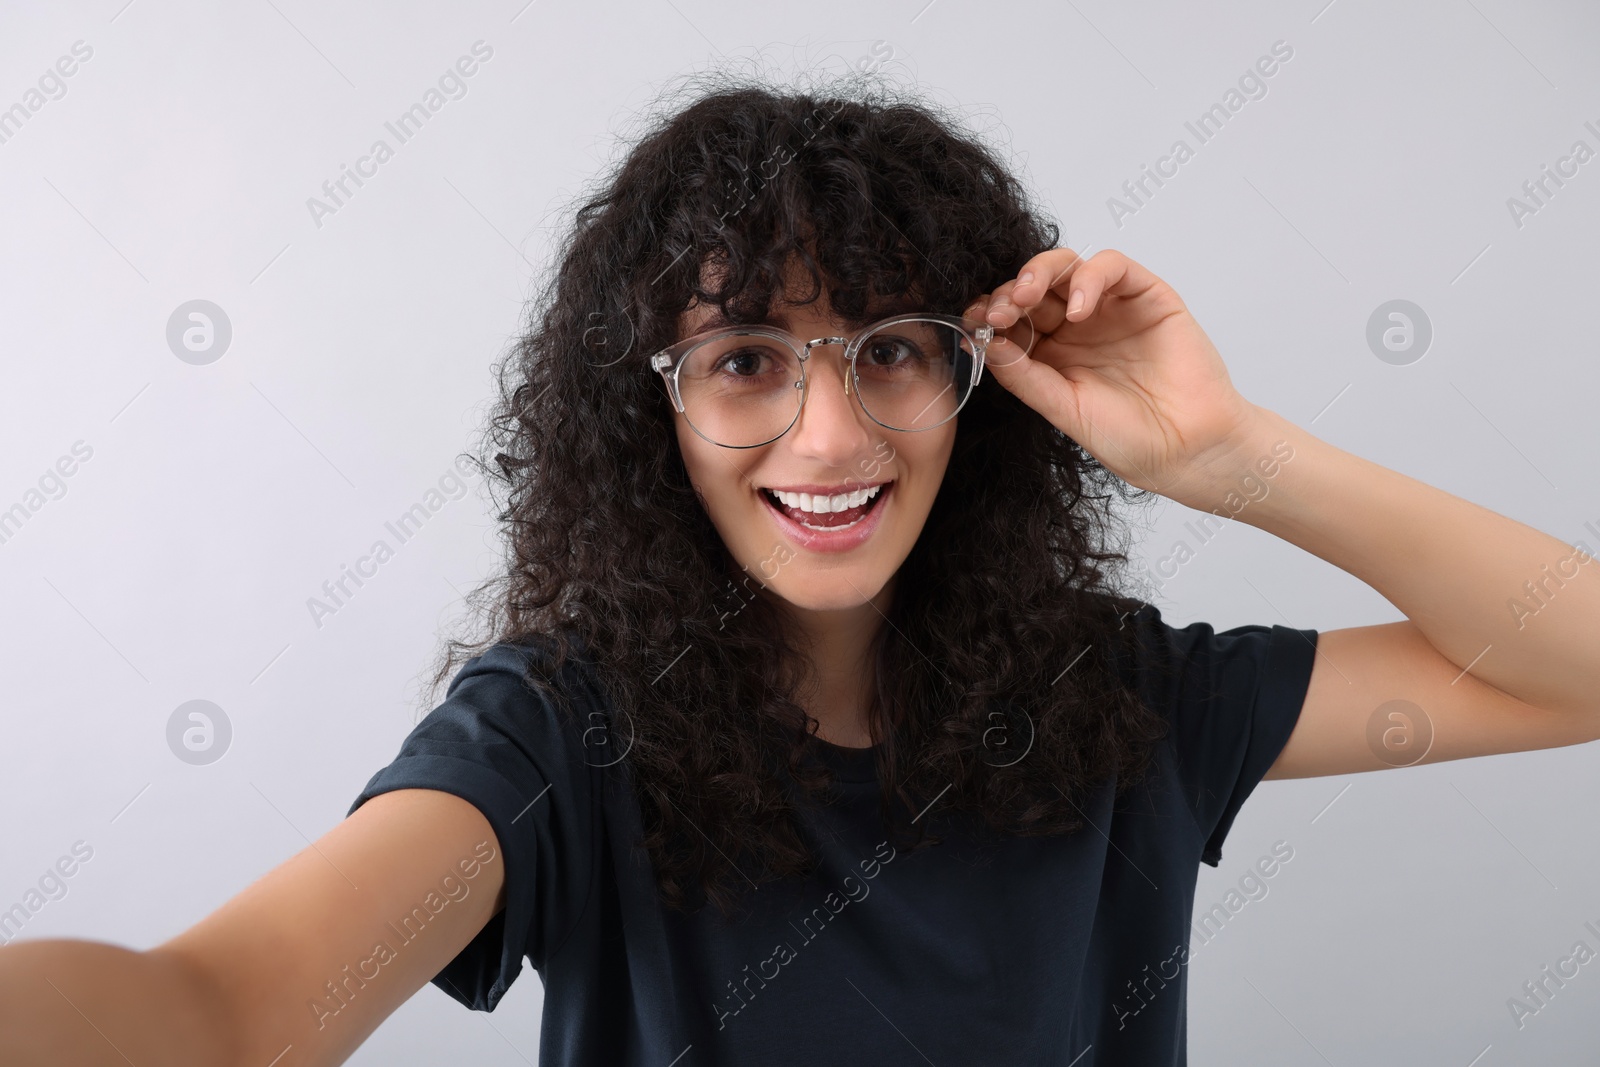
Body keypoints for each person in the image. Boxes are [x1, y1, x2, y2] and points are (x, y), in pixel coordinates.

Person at [3, 73, 1598, 1067]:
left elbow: (1572, 663)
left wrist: (1226, 457)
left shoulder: (1120, 698)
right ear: (654, 415)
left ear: (983, 387)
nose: (830, 436)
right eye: (747, 362)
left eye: (893, 352)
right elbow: (215, 1015)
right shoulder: (556, 735)